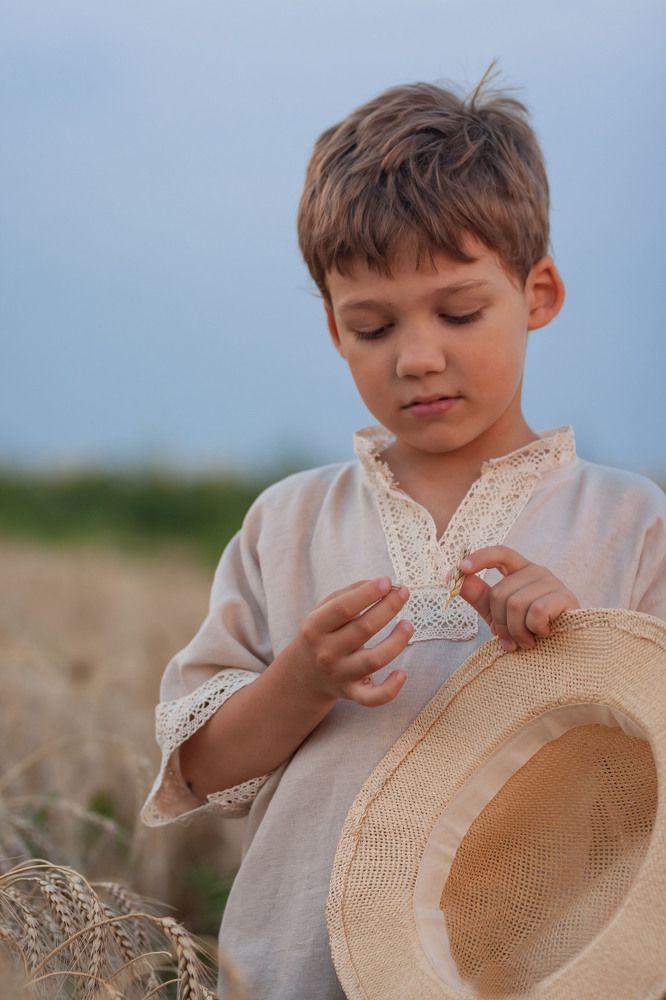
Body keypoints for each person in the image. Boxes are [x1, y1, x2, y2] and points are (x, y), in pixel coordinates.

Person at [141, 67, 666, 1000]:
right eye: (372, 326)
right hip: (292, 969)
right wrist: (299, 681)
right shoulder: (288, 523)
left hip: (537, 972)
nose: (417, 356)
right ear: (335, 333)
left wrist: (585, 642)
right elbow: (203, 765)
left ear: (538, 293)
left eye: (459, 312)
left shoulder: (632, 524)